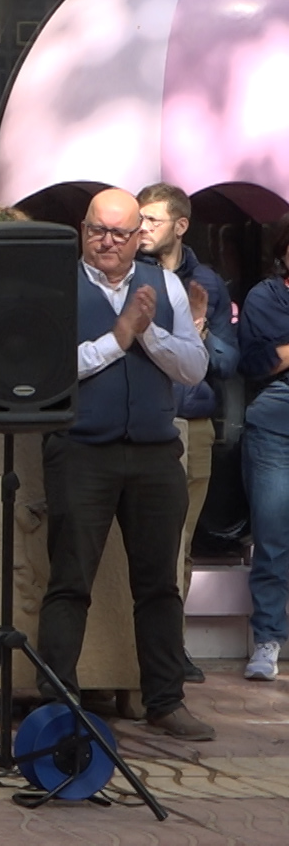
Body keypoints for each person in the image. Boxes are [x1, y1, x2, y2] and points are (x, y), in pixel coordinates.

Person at [37, 188, 212, 741]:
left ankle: (165, 699)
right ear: (82, 230)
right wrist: (118, 338)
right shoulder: (55, 284)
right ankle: (58, 701)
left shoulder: (165, 287)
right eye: (96, 230)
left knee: (160, 584)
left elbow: (193, 367)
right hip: (82, 450)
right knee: (70, 581)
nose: (106, 242)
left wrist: (148, 332)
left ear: (142, 236)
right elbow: (51, 370)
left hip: (156, 453)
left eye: (119, 233)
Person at [137, 182, 238, 685]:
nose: (141, 229)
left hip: (194, 423)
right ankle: (144, 651)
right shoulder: (129, 276)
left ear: (180, 225)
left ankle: (171, 648)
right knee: (153, 542)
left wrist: (200, 333)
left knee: (183, 543)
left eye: (152, 220)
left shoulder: (210, 284)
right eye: (139, 219)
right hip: (144, 425)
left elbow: (230, 360)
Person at [236, 215, 289, 683]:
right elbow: (256, 362)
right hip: (276, 424)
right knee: (272, 540)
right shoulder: (266, 296)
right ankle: (268, 640)